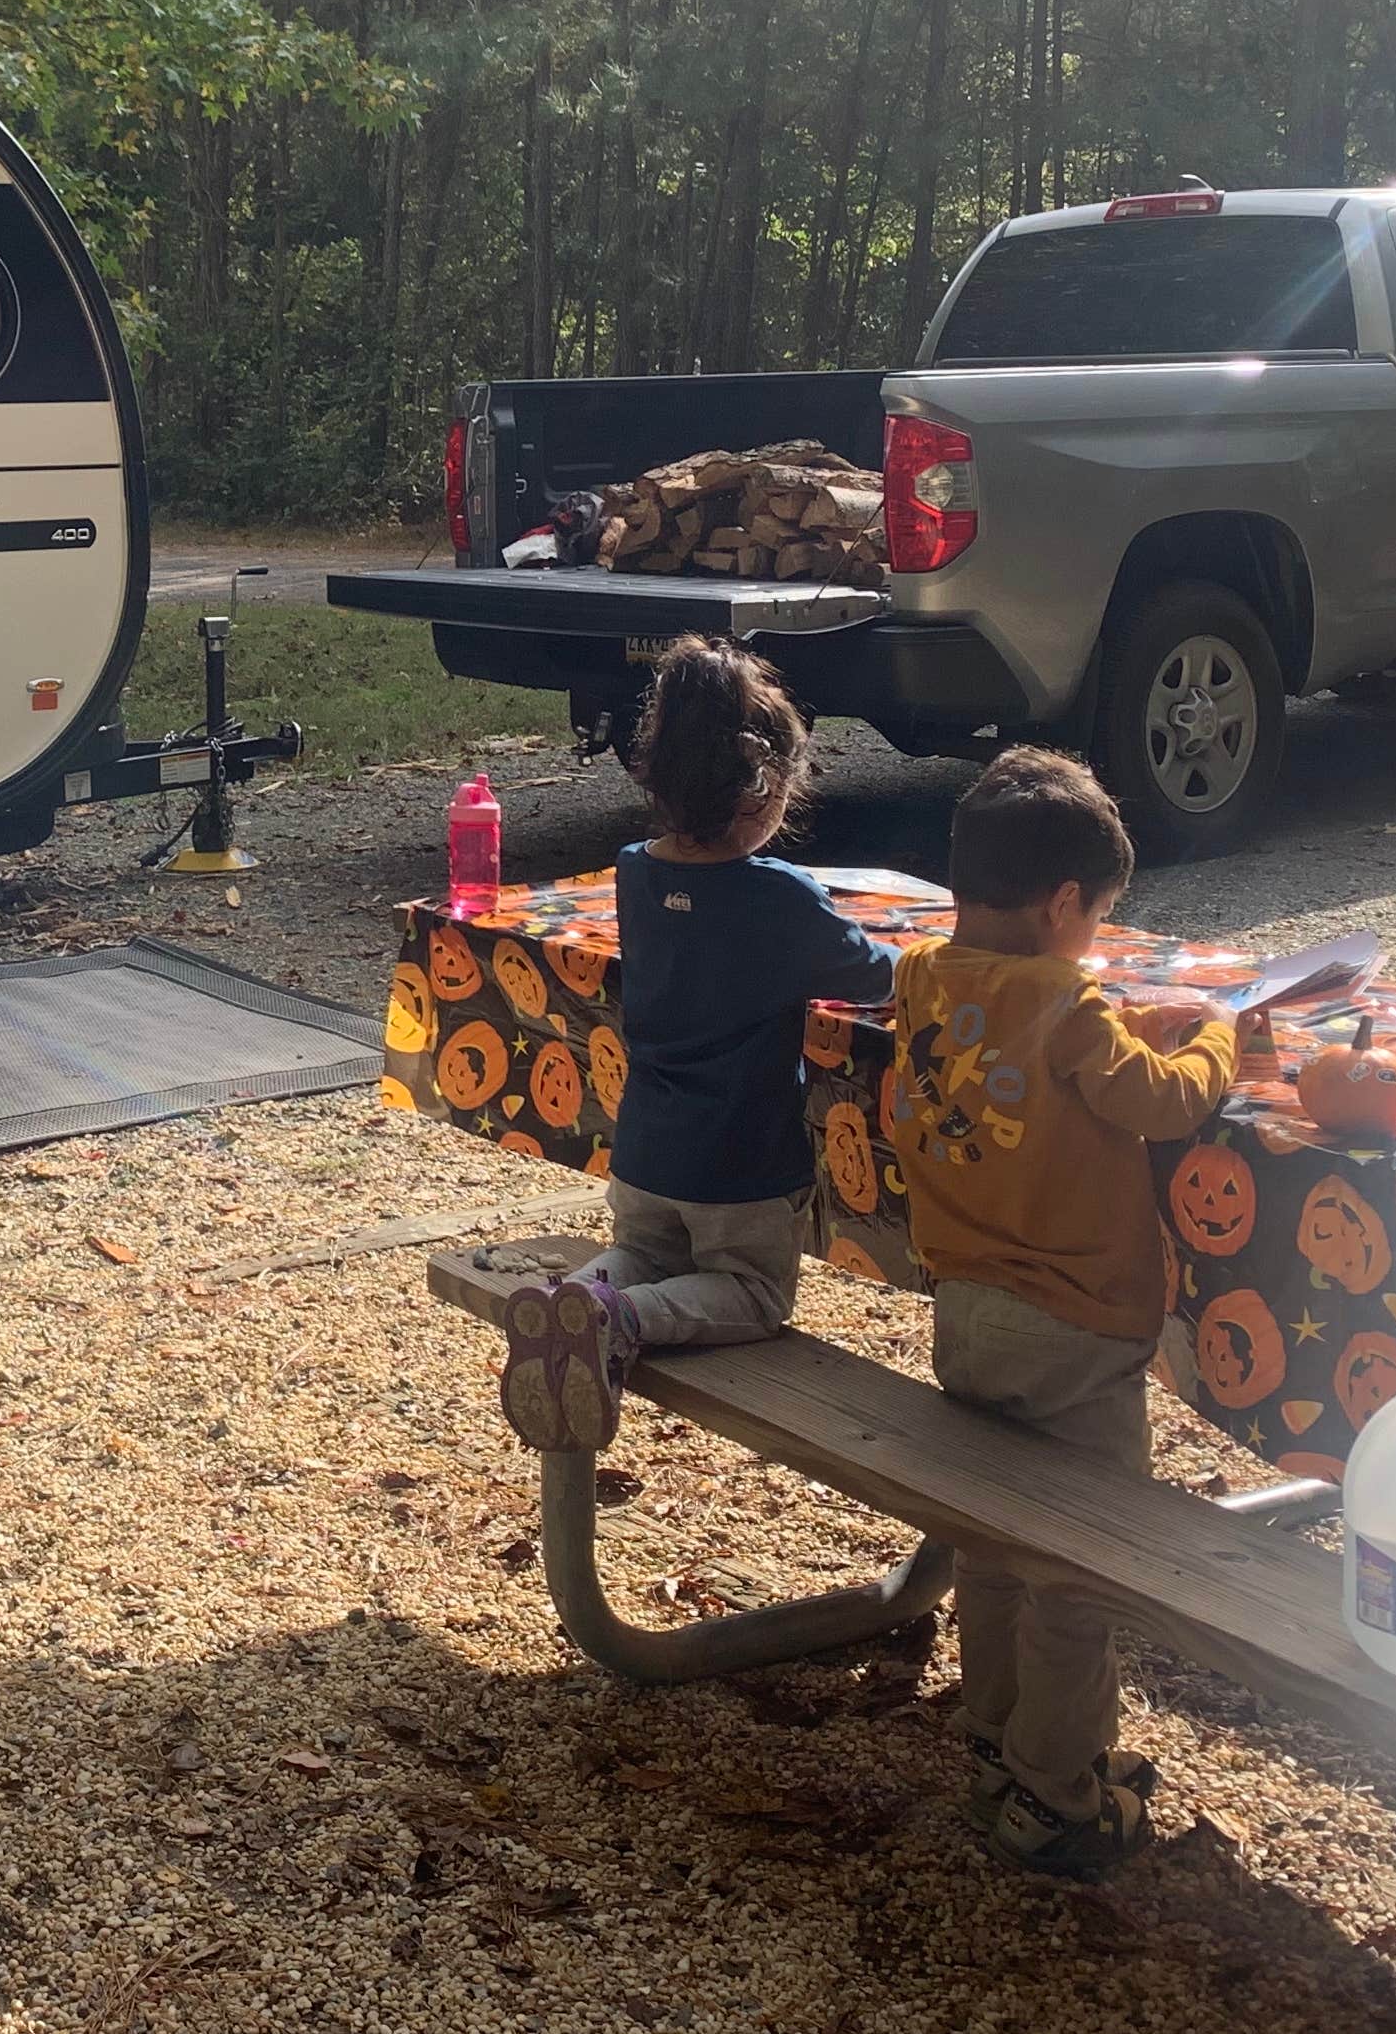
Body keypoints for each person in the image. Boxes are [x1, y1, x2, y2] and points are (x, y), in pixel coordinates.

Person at [884, 747, 1238, 1882]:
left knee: (994, 1537)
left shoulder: (924, 977)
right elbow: (1162, 1099)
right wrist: (1221, 1034)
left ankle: (993, 1732)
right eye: (1099, 918)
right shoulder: (1069, 997)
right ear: (1065, 905)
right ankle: (1055, 1791)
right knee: (1076, 1573)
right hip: (1076, 1327)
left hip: (967, 1308)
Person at [497, 639, 891, 1454]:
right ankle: (621, 1319)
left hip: (646, 1150)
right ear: (765, 790)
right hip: (740, 1164)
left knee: (639, 1251)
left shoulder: (635, 870)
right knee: (750, 1292)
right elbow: (876, 975)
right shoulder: (779, 895)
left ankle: (578, 1300)